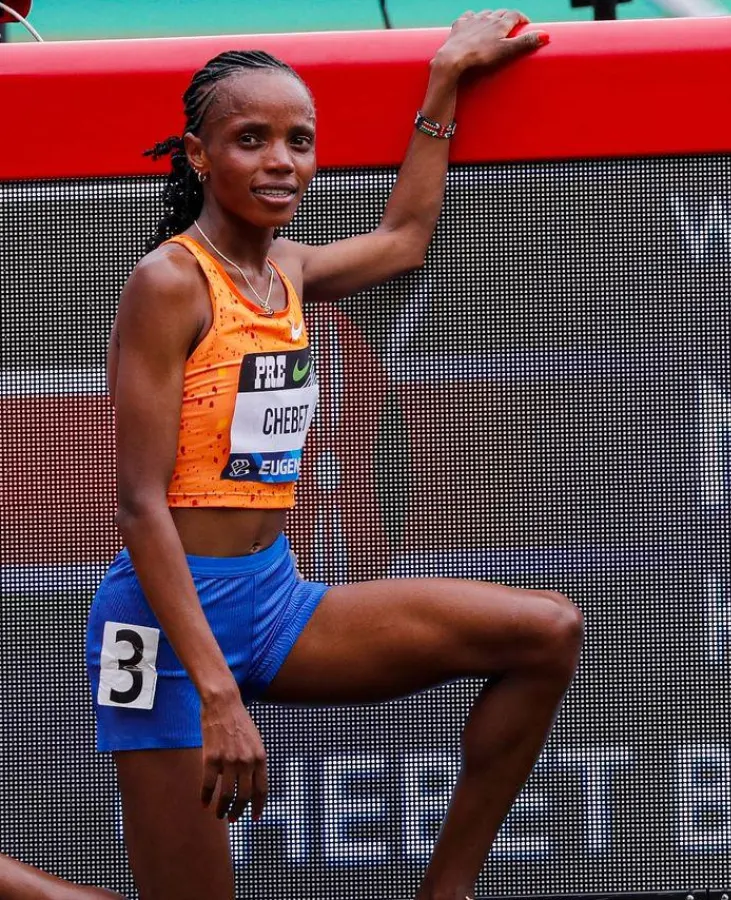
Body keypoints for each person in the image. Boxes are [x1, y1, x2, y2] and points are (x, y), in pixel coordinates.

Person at [87, 10, 579, 900]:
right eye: (251, 139)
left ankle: (447, 893)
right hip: (165, 632)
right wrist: (218, 696)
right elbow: (138, 504)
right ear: (199, 155)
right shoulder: (168, 282)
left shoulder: (291, 274)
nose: (281, 160)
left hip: (276, 604)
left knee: (543, 633)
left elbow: (405, 240)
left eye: (299, 141)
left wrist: (444, 81)